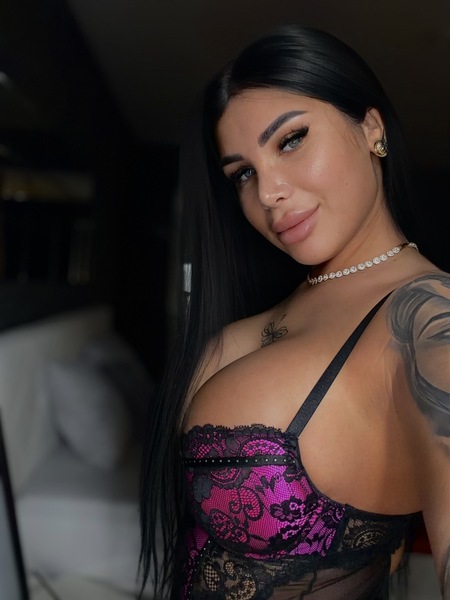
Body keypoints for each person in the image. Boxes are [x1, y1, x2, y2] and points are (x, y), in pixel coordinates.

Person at [139, 25, 450, 599]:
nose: (267, 193)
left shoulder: (427, 318)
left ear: (372, 129)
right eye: (243, 173)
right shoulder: (288, 298)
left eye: (290, 140)